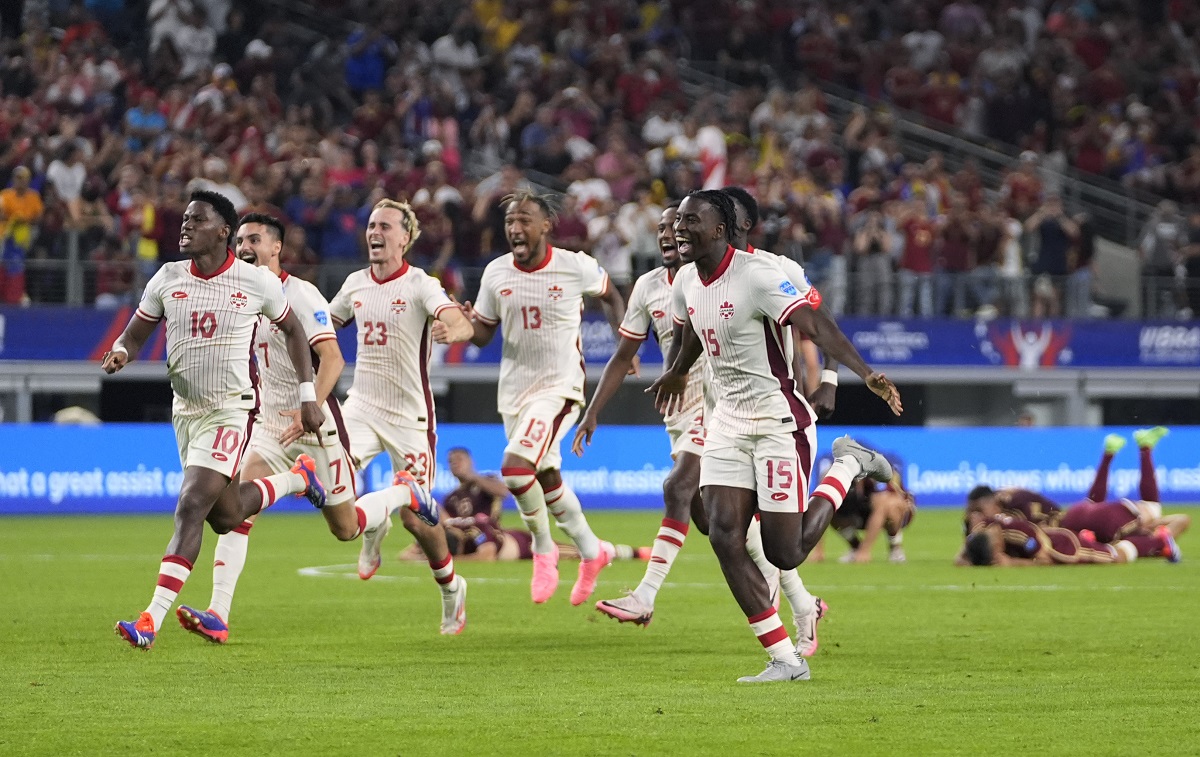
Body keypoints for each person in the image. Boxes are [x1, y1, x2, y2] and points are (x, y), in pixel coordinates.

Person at [649, 190, 901, 682]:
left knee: (785, 551)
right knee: (724, 536)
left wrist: (862, 373)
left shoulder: (761, 274)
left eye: (691, 220)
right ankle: (785, 659)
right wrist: (677, 372)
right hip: (726, 423)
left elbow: (816, 324)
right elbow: (691, 333)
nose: (679, 228)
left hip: (778, 423)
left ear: (720, 229)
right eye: (677, 219)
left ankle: (847, 464)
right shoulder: (684, 280)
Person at [172, 213, 443, 644]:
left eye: (255, 239)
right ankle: (218, 614)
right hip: (267, 425)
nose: (244, 247)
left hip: (316, 425)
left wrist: (308, 404)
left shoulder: (300, 294)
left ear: (277, 248)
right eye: (240, 239)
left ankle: (405, 492)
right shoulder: (237, 295)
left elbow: (333, 359)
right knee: (238, 511)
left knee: (346, 528)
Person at [106, 190, 327, 650]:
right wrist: (123, 349)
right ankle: (297, 480)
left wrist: (308, 393)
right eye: (184, 219)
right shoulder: (167, 277)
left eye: (197, 219)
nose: (184, 226)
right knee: (225, 517)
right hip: (185, 411)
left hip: (232, 409)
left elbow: (292, 329)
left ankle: (150, 619)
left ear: (223, 231)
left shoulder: (255, 282)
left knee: (190, 504)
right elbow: (139, 327)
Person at [461, 191, 629, 606]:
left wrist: (626, 345)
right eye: (509, 223)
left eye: (523, 221)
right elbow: (483, 334)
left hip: (560, 388)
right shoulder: (497, 273)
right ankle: (593, 552)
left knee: (516, 469)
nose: (515, 229)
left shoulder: (574, 266)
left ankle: (543, 548)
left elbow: (610, 294)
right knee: (547, 478)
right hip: (514, 393)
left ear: (545, 225)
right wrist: (465, 324)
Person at [328, 198, 475, 633]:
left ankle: (451, 589)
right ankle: (373, 530)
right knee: (332, 475)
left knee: (417, 518)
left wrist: (457, 329)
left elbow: (457, 321)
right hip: (361, 406)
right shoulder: (355, 283)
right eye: (371, 224)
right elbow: (325, 325)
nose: (375, 232)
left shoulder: (420, 285)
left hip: (410, 417)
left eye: (386, 226)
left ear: (405, 238)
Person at [964, 427, 1185, 561]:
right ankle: (1143, 448)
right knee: (1152, 513)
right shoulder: (1007, 505)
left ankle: (1115, 453)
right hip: (1071, 521)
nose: (978, 515)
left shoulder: (1007, 507)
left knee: (1118, 516)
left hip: (1070, 522)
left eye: (978, 510)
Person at [397, 447, 648, 562]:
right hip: (472, 539)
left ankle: (632, 552)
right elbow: (442, 523)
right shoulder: (451, 497)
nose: (455, 464)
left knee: (574, 552)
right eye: (451, 461)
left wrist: (473, 476)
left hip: (497, 535)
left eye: (460, 459)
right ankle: (629, 553)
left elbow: (504, 492)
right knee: (565, 553)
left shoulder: (485, 482)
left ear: (470, 461)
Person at [957, 514, 1132, 566]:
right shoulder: (981, 531)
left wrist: (1012, 562)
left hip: (1062, 547)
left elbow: (1044, 559)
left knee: (1115, 557)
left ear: (997, 545)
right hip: (1048, 535)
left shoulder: (1020, 534)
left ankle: (1145, 541)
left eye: (996, 554)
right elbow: (959, 559)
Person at [833, 471, 916, 564]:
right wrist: (818, 550)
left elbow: (884, 499)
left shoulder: (880, 470)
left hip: (898, 509)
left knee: (886, 504)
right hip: (866, 508)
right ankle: (856, 547)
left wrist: (864, 550)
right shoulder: (845, 470)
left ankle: (894, 547)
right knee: (831, 505)